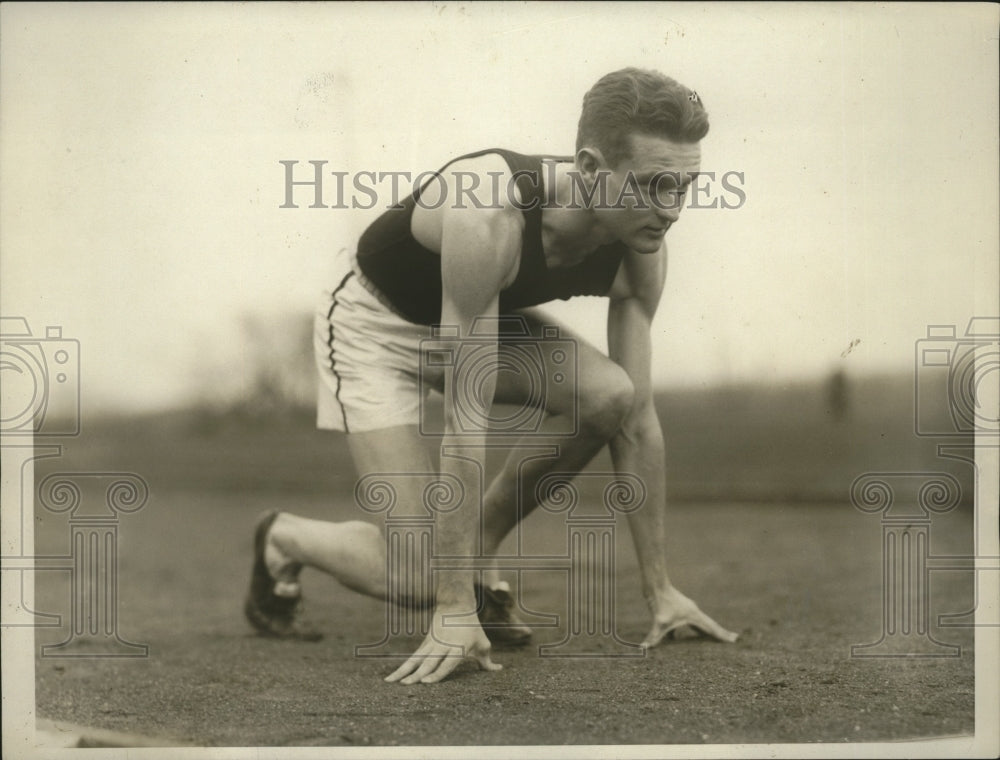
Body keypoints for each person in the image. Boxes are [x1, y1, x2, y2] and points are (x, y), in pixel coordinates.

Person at [245, 67, 739, 685]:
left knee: (613, 394)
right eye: (652, 186)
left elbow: (637, 422)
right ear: (589, 168)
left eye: (685, 186)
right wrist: (451, 608)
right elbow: (466, 417)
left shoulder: (643, 246)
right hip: (374, 325)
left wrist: (661, 590)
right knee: (419, 577)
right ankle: (286, 539)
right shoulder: (490, 210)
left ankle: (473, 563)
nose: (672, 210)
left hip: (470, 317)